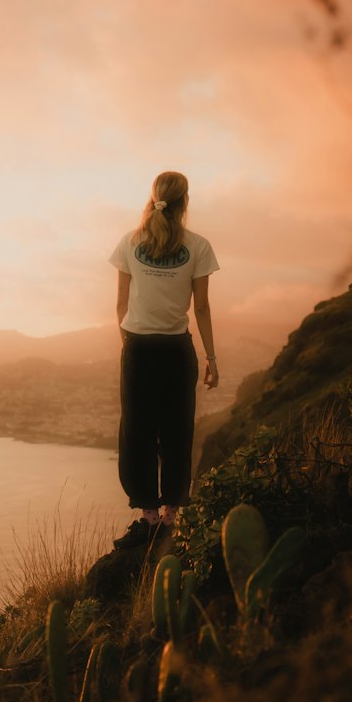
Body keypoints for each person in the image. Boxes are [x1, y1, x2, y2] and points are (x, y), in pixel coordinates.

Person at [108, 170, 219, 552]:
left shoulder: (129, 242)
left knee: (136, 432)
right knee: (176, 431)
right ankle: (171, 517)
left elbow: (121, 304)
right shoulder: (199, 246)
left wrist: (129, 342)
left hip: (138, 348)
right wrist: (211, 357)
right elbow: (201, 307)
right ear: (185, 201)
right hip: (176, 349)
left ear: (154, 198)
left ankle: (148, 517)